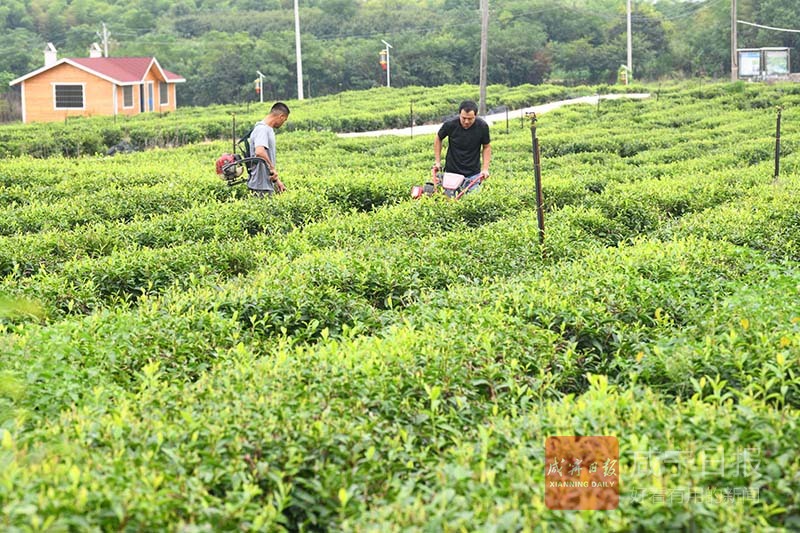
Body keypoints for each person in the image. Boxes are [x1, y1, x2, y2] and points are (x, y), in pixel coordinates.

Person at [433, 100, 491, 195]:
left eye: (470, 119)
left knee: (472, 200)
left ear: (475, 116)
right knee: (449, 200)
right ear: (459, 114)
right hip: (452, 172)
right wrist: (438, 161)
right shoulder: (450, 124)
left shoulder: (482, 126)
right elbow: (438, 138)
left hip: (473, 173)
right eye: (463, 118)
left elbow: (486, 146)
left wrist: (485, 168)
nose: (466, 121)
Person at [248, 102, 290, 197]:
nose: (283, 123)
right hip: (260, 186)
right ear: (281, 116)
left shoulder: (268, 129)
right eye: (285, 120)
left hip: (265, 184)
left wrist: (277, 181)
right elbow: (259, 151)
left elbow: (266, 160)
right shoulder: (262, 129)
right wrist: (272, 168)